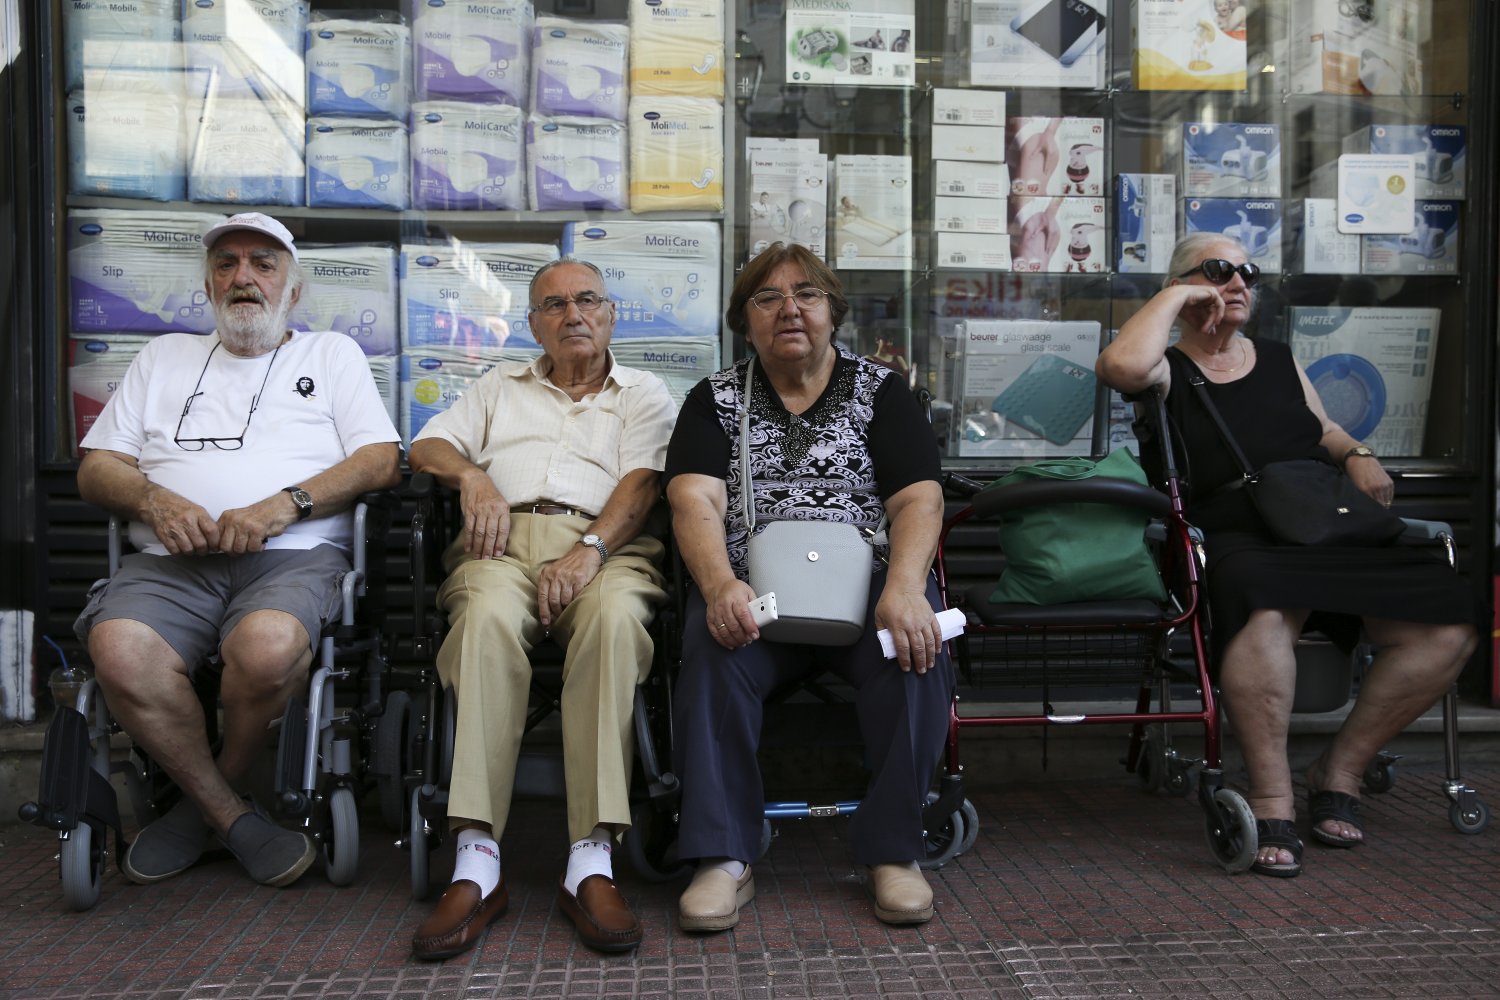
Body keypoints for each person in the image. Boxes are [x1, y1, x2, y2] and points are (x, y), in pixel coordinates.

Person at [1095, 233, 1477, 878]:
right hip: (1237, 532)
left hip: (1324, 523)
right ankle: (1272, 796)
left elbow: (1321, 428)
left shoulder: (1275, 356)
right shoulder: (1168, 367)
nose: (1239, 282)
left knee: (1451, 620)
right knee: (1264, 606)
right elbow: (1123, 368)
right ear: (1181, 285)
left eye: (1248, 272)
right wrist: (1180, 294)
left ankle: (1341, 770)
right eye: (1219, 271)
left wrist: (1357, 454)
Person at [74, 212, 403, 889]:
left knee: (269, 648)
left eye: (262, 263)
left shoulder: (330, 355)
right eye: (227, 264)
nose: (243, 277)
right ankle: (231, 813)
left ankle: (198, 813)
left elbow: (379, 460)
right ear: (208, 284)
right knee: (119, 649)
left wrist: (287, 504)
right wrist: (153, 501)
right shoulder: (163, 357)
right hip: (170, 563)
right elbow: (97, 468)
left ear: (294, 287)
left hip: (295, 556)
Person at [664, 242, 954, 931]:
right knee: (710, 652)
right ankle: (722, 858)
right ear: (746, 320)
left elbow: (919, 499)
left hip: (865, 593)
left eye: (807, 294)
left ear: (833, 312)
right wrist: (719, 584)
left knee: (913, 648)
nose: (790, 309)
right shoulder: (715, 399)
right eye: (768, 298)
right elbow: (692, 501)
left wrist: (907, 587)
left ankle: (892, 853)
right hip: (755, 594)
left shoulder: (883, 392)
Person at [405, 258, 676, 959]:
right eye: (553, 305)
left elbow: (644, 482)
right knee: (485, 621)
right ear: (533, 324)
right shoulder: (500, 385)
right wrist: (472, 476)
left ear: (611, 313)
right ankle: (475, 860)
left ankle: (591, 858)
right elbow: (427, 444)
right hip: (498, 543)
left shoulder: (645, 393)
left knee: (616, 623)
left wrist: (588, 548)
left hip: (606, 547)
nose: (572, 315)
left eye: (587, 300)